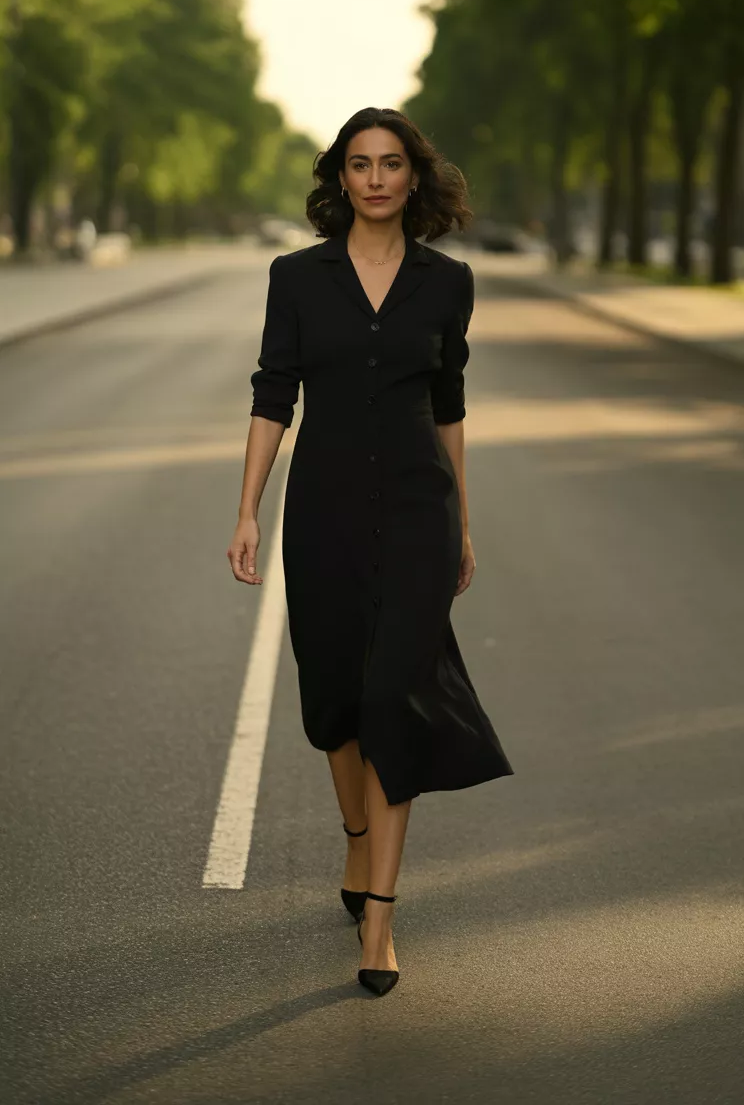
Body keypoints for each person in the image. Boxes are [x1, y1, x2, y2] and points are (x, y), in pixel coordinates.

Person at [227, 107, 513, 997]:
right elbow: (273, 394)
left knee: (394, 700)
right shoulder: (296, 277)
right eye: (361, 164)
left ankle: (380, 922)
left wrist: (463, 522)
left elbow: (449, 407)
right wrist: (248, 510)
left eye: (392, 163)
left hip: (421, 514)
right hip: (325, 512)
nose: (378, 178)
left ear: (413, 176)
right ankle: (356, 839)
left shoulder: (448, 282)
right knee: (337, 701)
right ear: (341, 178)